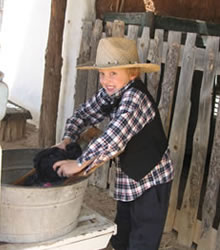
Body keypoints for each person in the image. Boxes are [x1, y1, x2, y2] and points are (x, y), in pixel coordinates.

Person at [53, 37, 174, 250]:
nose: (106, 80)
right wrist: (67, 139)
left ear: (132, 74)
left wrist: (79, 163)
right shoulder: (111, 93)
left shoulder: (135, 98)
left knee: (143, 240)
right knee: (122, 232)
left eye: (113, 73)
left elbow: (114, 138)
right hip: (130, 176)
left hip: (152, 180)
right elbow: (83, 114)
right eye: (102, 73)